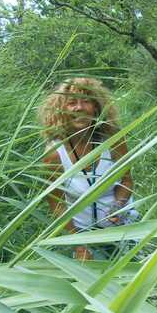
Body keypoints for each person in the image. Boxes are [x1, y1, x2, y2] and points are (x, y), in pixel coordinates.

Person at [39, 77, 137, 261]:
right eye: (72, 103)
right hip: (81, 234)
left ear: (96, 107)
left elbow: (127, 180)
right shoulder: (54, 153)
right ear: (61, 109)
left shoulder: (114, 140)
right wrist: (78, 244)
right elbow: (56, 203)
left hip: (123, 228)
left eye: (86, 101)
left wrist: (118, 207)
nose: (79, 108)